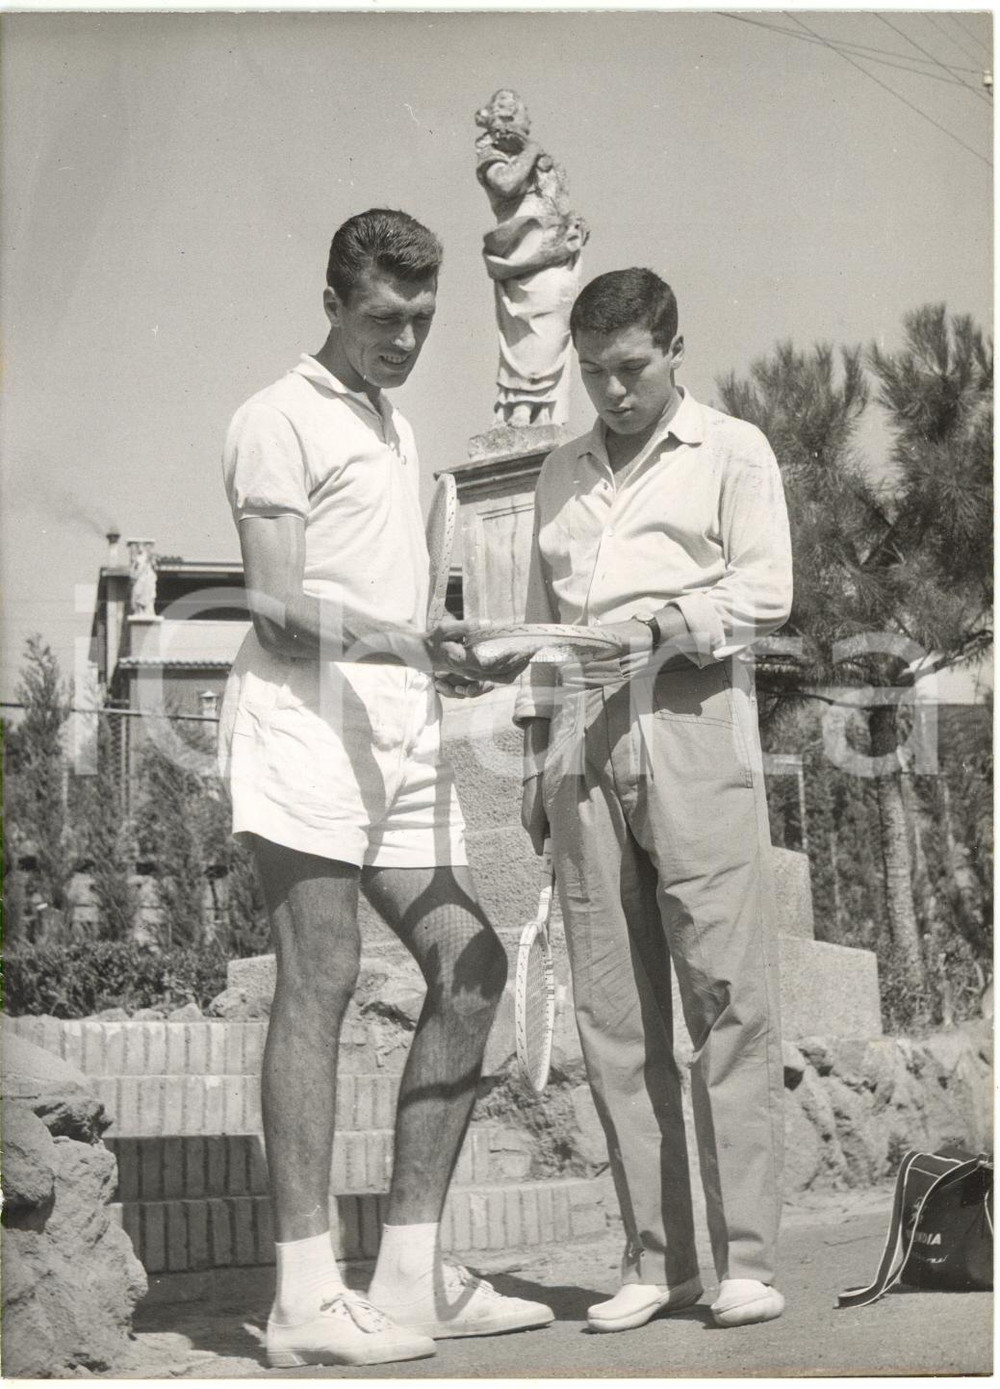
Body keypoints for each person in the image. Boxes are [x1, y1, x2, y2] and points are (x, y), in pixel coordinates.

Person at [218, 208, 553, 1369]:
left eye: (420, 319)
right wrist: (400, 643)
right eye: (381, 319)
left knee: (472, 965)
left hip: (398, 734)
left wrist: (441, 644)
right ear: (332, 303)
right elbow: (269, 601)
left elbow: (382, 596)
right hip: (302, 726)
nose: (403, 338)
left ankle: (407, 1272)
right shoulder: (275, 418)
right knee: (321, 974)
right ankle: (304, 1297)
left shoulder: (399, 432)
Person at [511, 267, 793, 1334]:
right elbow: (543, 635)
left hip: (691, 715)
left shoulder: (731, 450)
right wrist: (536, 765)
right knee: (610, 1010)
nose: (612, 392)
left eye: (629, 368)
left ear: (675, 348)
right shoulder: (558, 472)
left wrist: (665, 625)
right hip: (583, 731)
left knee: (724, 993)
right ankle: (655, 1255)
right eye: (592, 374)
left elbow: (765, 589)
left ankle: (747, 1259)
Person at [475, 88, 588, 426]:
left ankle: (547, 408)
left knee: (554, 328)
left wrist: (574, 224)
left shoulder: (538, 158)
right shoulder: (491, 156)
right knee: (526, 334)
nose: (516, 119)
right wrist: (531, 151)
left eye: (517, 112)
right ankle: (520, 405)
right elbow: (507, 185)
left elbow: (558, 201)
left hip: (555, 251)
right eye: (506, 113)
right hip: (522, 254)